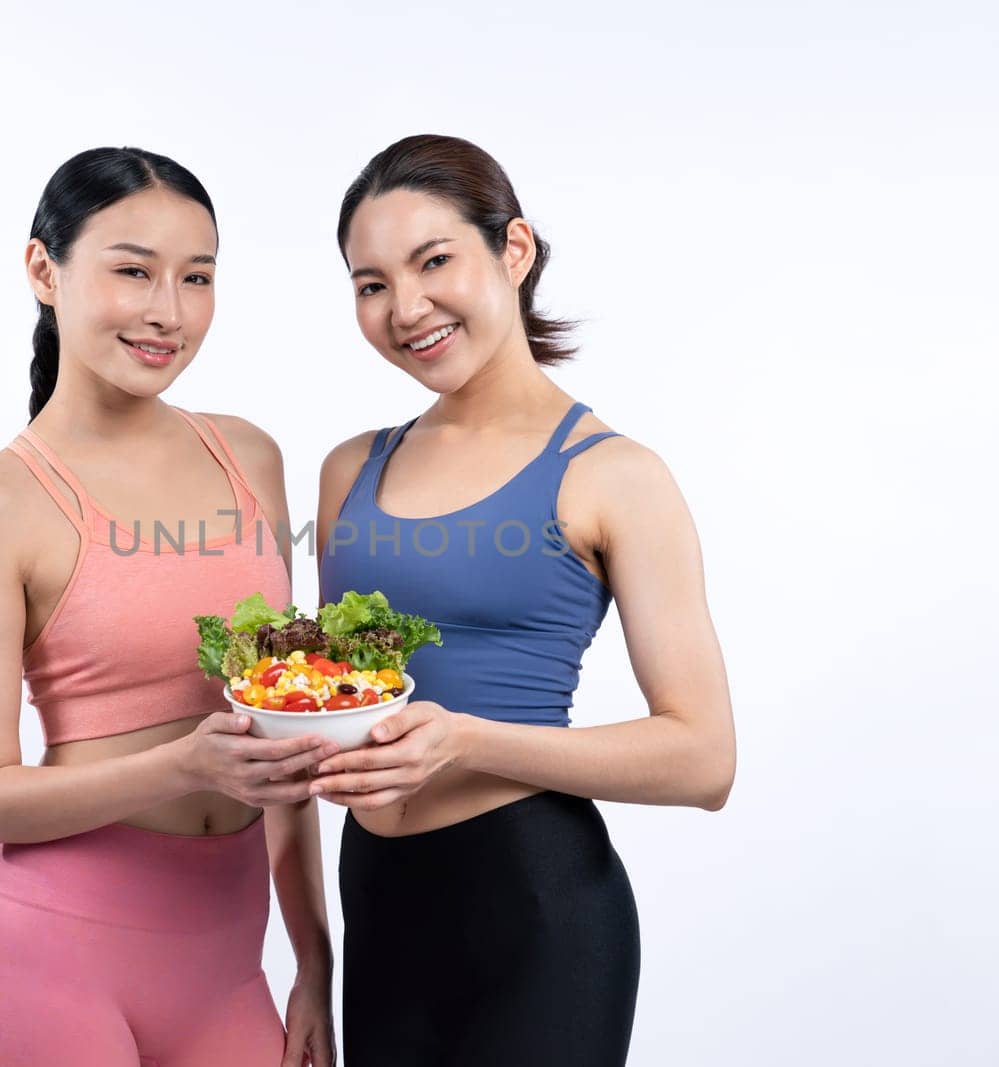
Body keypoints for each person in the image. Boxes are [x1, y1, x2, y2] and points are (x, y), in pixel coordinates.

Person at [312, 134, 737, 1066]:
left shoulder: (614, 476)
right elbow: (313, 711)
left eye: (434, 262)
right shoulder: (349, 469)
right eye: (370, 282)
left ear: (514, 250)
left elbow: (705, 758)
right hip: (376, 902)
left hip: (536, 907)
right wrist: (310, 961)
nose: (405, 307)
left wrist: (465, 737)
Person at [0, 147, 335, 1067]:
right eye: (133, 271)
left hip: (230, 969)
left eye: (197, 277)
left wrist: (313, 959)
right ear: (45, 269)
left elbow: (278, 731)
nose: (169, 310)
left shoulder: (249, 457)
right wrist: (185, 763)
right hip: (57, 962)